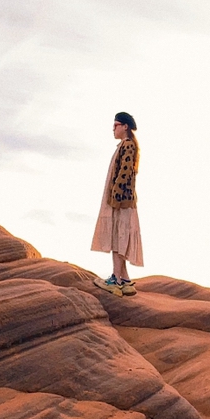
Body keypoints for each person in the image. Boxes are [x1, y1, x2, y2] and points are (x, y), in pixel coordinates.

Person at [91, 111, 143, 296]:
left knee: (118, 237)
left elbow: (125, 174)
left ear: (125, 127)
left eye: (116, 125)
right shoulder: (126, 145)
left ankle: (116, 280)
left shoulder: (128, 145)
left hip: (121, 201)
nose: (113, 128)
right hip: (123, 200)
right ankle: (125, 280)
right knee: (119, 236)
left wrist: (115, 199)